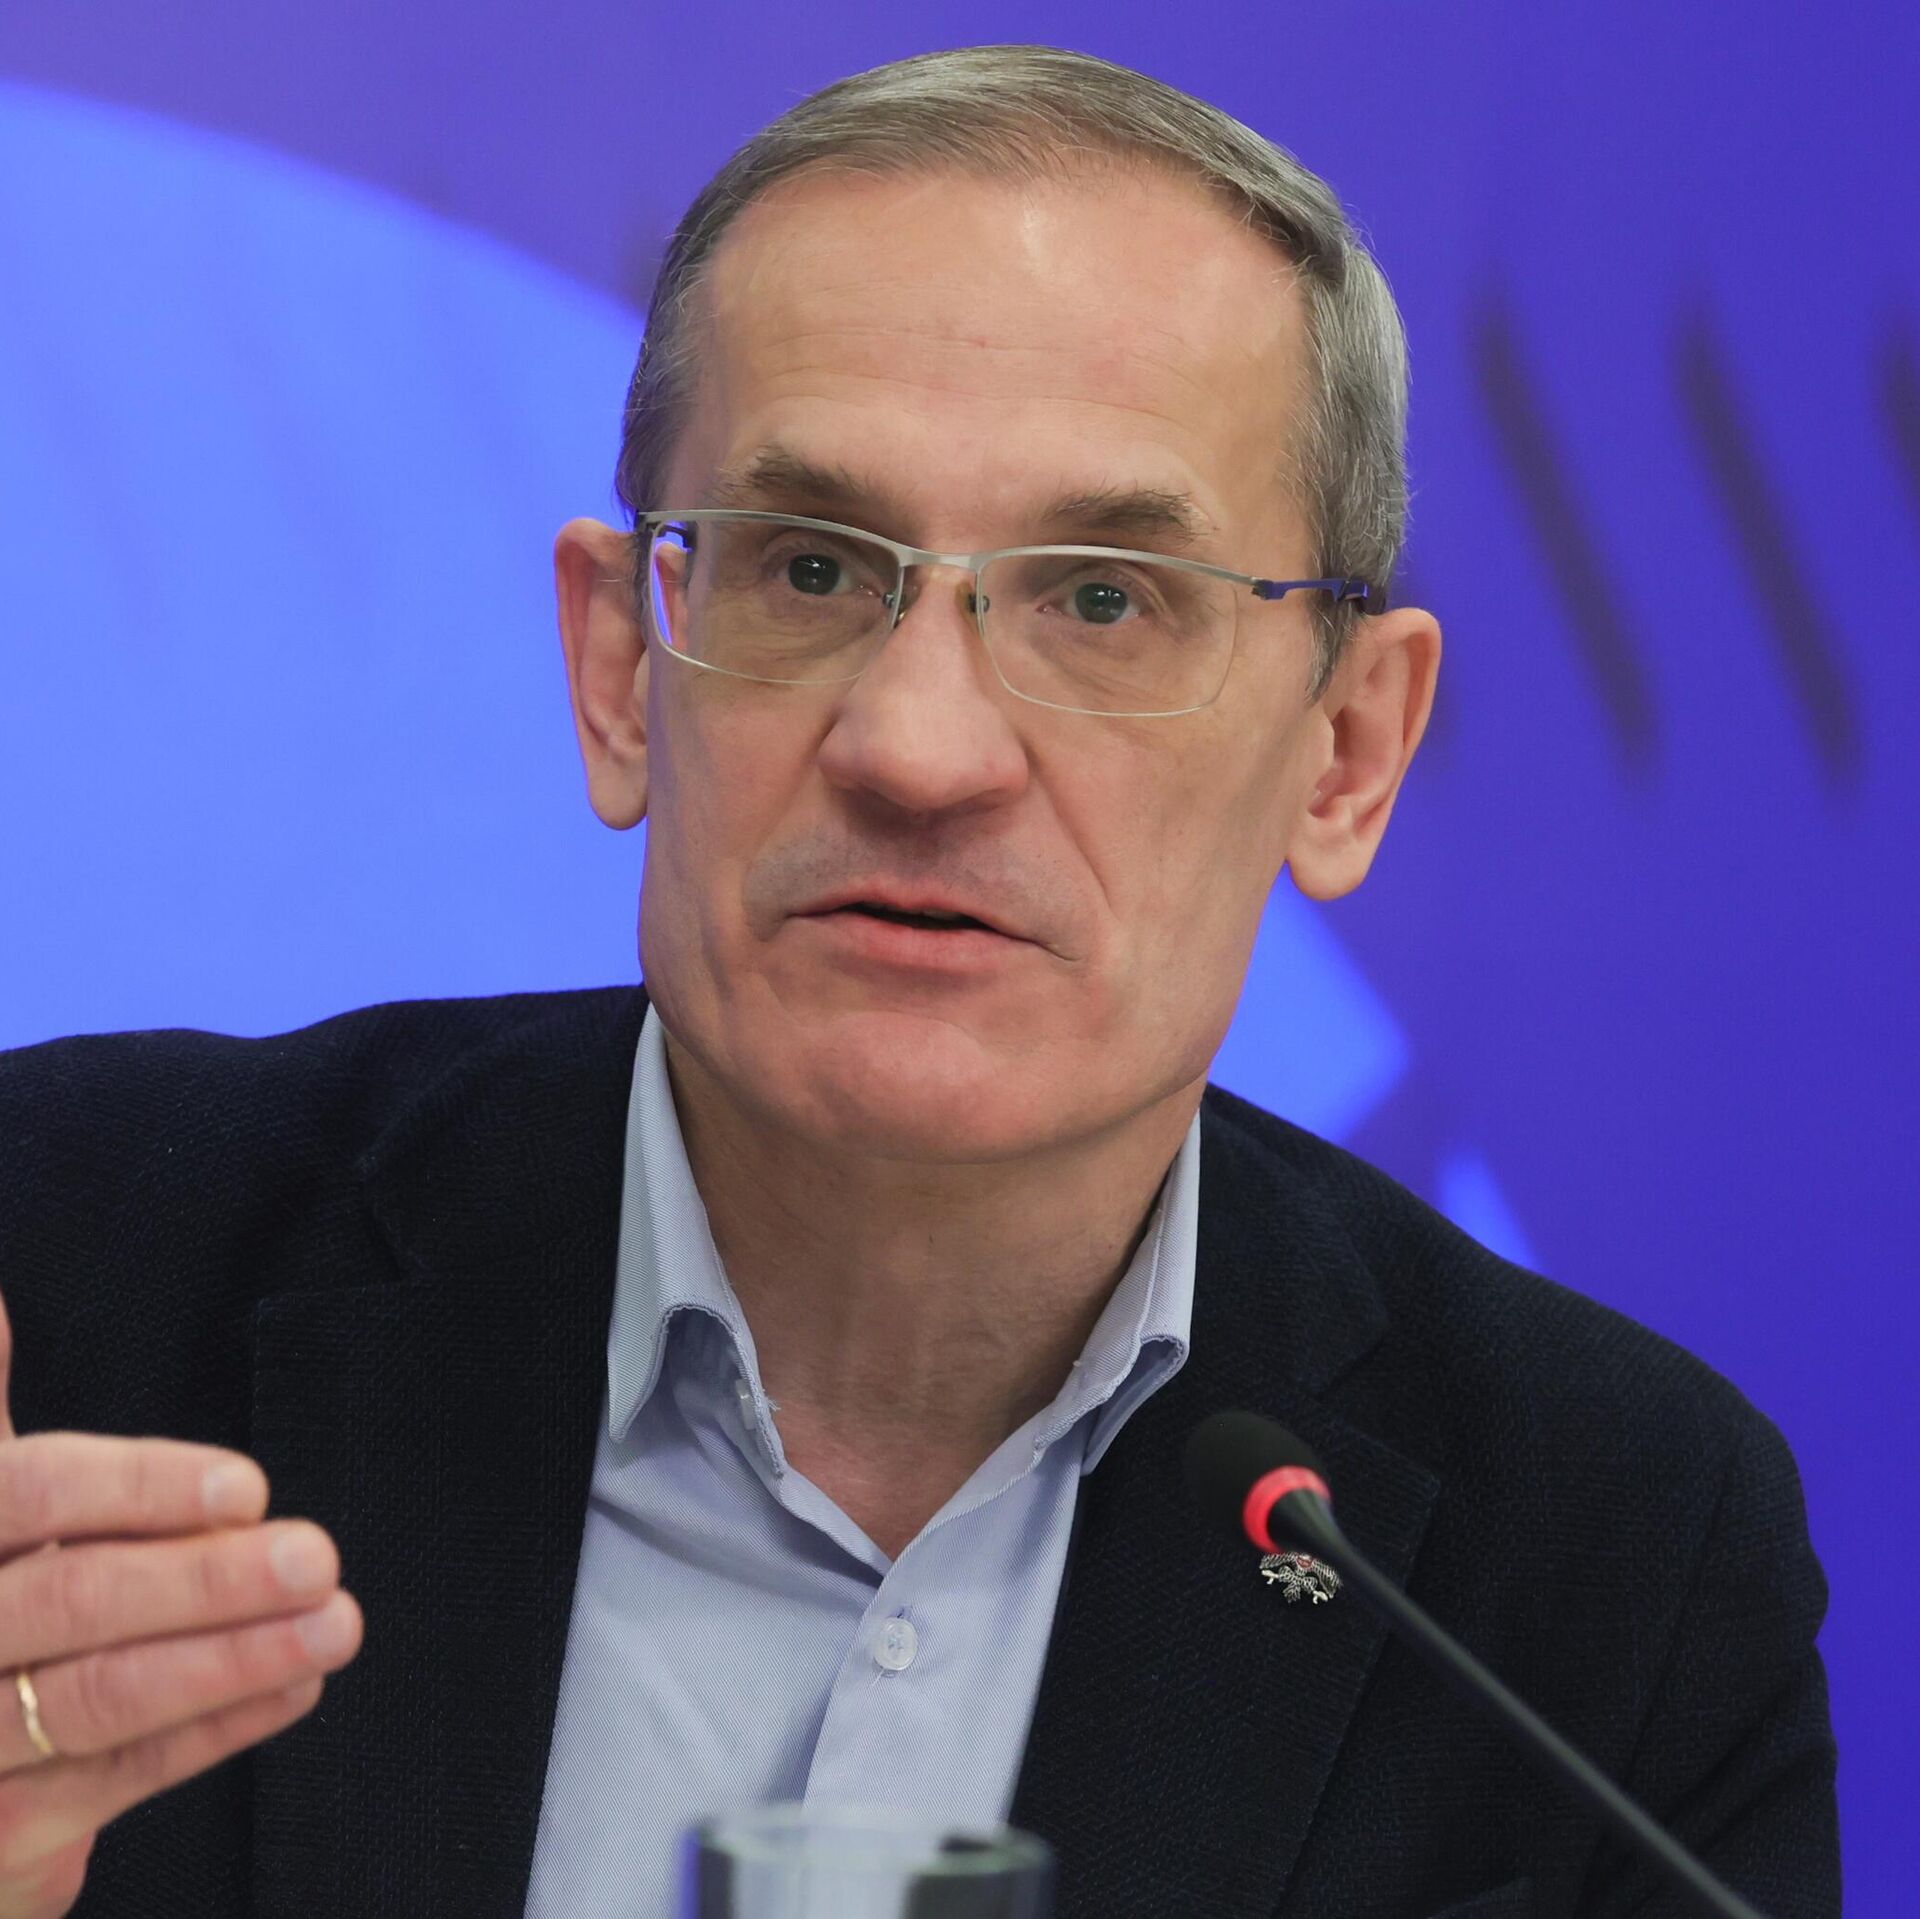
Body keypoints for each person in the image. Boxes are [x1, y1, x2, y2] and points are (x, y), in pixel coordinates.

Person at [0, 44, 1837, 1919]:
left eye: (1104, 600)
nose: (919, 749)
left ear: (1347, 753)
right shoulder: (63, 1275)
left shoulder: (1613, 1565)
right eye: (809, 570)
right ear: (624, 670)